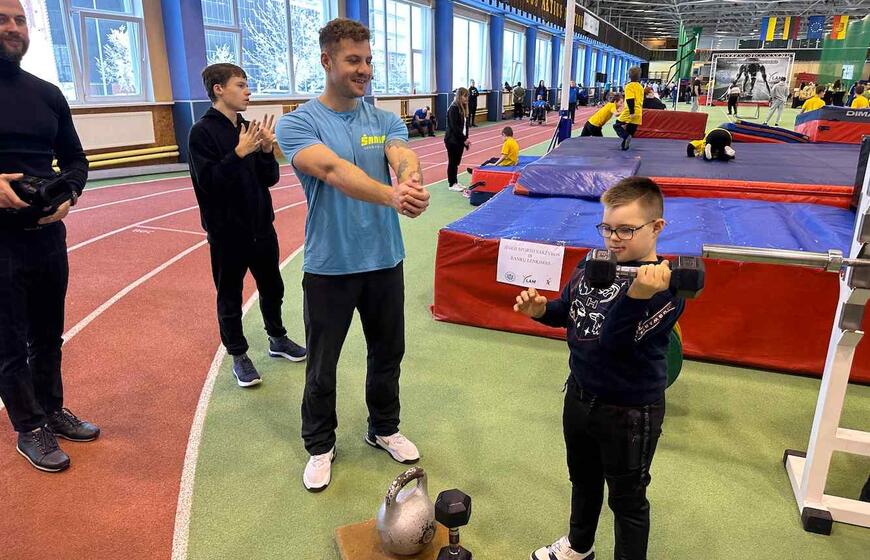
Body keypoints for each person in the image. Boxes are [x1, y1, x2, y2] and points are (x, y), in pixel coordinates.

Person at [275, 18, 430, 492]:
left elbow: (401, 152)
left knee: (388, 353)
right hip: (331, 266)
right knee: (323, 364)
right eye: (353, 60)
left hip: (385, 260)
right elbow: (332, 170)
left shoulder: (384, 120)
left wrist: (410, 179)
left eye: (368, 60)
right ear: (327, 61)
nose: (365, 69)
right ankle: (320, 444)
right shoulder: (298, 123)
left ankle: (383, 427)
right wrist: (392, 196)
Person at [518, 177, 685, 560]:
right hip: (580, 394)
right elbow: (570, 312)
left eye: (626, 229)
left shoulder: (667, 290)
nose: (613, 239)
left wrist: (637, 296)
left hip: (630, 412)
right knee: (583, 478)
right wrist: (541, 310)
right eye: (607, 228)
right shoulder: (593, 263)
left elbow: (615, 345)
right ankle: (579, 547)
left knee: (627, 500)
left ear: (657, 227)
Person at [0, 0, 99, 473]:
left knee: (47, 334)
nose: (13, 27)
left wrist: (69, 195)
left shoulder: (46, 93)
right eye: (2, 19)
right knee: (7, 342)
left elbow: (76, 159)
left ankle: (51, 409)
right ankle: (29, 427)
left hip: (46, 236)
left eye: (20, 20)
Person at [188, 64, 307, 389]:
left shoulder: (248, 128)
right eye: (240, 85)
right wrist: (238, 154)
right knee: (230, 295)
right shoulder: (201, 132)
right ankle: (238, 355)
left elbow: (269, 179)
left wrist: (267, 151)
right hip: (227, 234)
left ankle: (277, 338)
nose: (248, 91)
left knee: (273, 288)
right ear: (219, 89)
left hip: (261, 227)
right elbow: (209, 183)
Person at [444, 87, 471, 191]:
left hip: (459, 140)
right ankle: (451, 184)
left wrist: (466, 138)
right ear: (459, 96)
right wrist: (464, 139)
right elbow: (454, 127)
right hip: (452, 140)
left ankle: (455, 181)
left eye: (467, 96)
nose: (466, 98)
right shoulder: (453, 108)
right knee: (453, 162)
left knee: (456, 162)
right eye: (465, 96)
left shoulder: (463, 108)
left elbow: (464, 126)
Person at [614, 66, 644, 151]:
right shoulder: (640, 86)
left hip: (631, 111)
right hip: (639, 112)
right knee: (630, 130)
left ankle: (626, 136)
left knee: (617, 125)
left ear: (629, 76)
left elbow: (630, 99)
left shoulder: (629, 86)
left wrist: (631, 112)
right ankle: (624, 146)